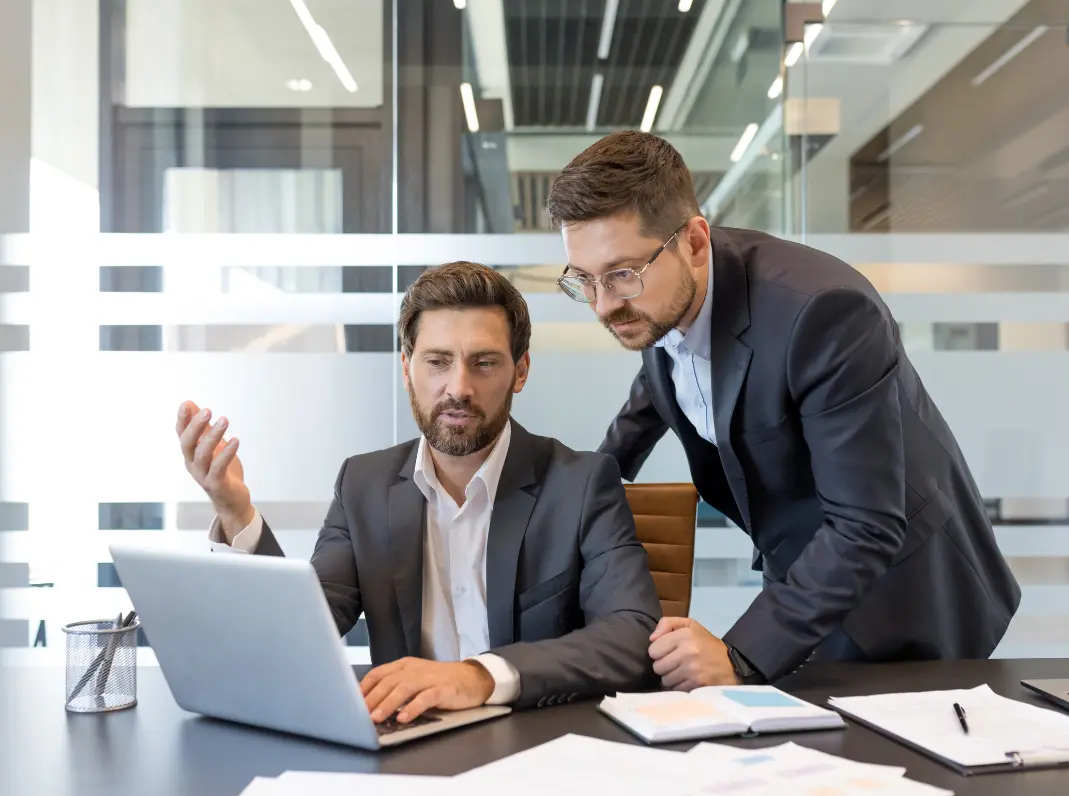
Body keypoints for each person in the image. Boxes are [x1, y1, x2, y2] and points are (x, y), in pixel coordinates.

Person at [546, 131, 1021, 690]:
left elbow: (864, 524)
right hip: (802, 576)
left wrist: (739, 655)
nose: (603, 305)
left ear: (694, 242)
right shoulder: (660, 297)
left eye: (622, 274)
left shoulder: (823, 313)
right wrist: (575, 495)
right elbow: (658, 382)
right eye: (584, 279)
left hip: (902, 595)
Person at [175, 261, 661, 723]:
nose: (459, 387)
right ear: (407, 366)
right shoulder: (362, 485)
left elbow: (630, 634)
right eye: (437, 362)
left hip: (537, 747)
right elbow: (300, 631)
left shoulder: (580, 483)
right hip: (409, 744)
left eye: (484, 363)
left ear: (520, 370)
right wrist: (235, 511)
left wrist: (479, 678)